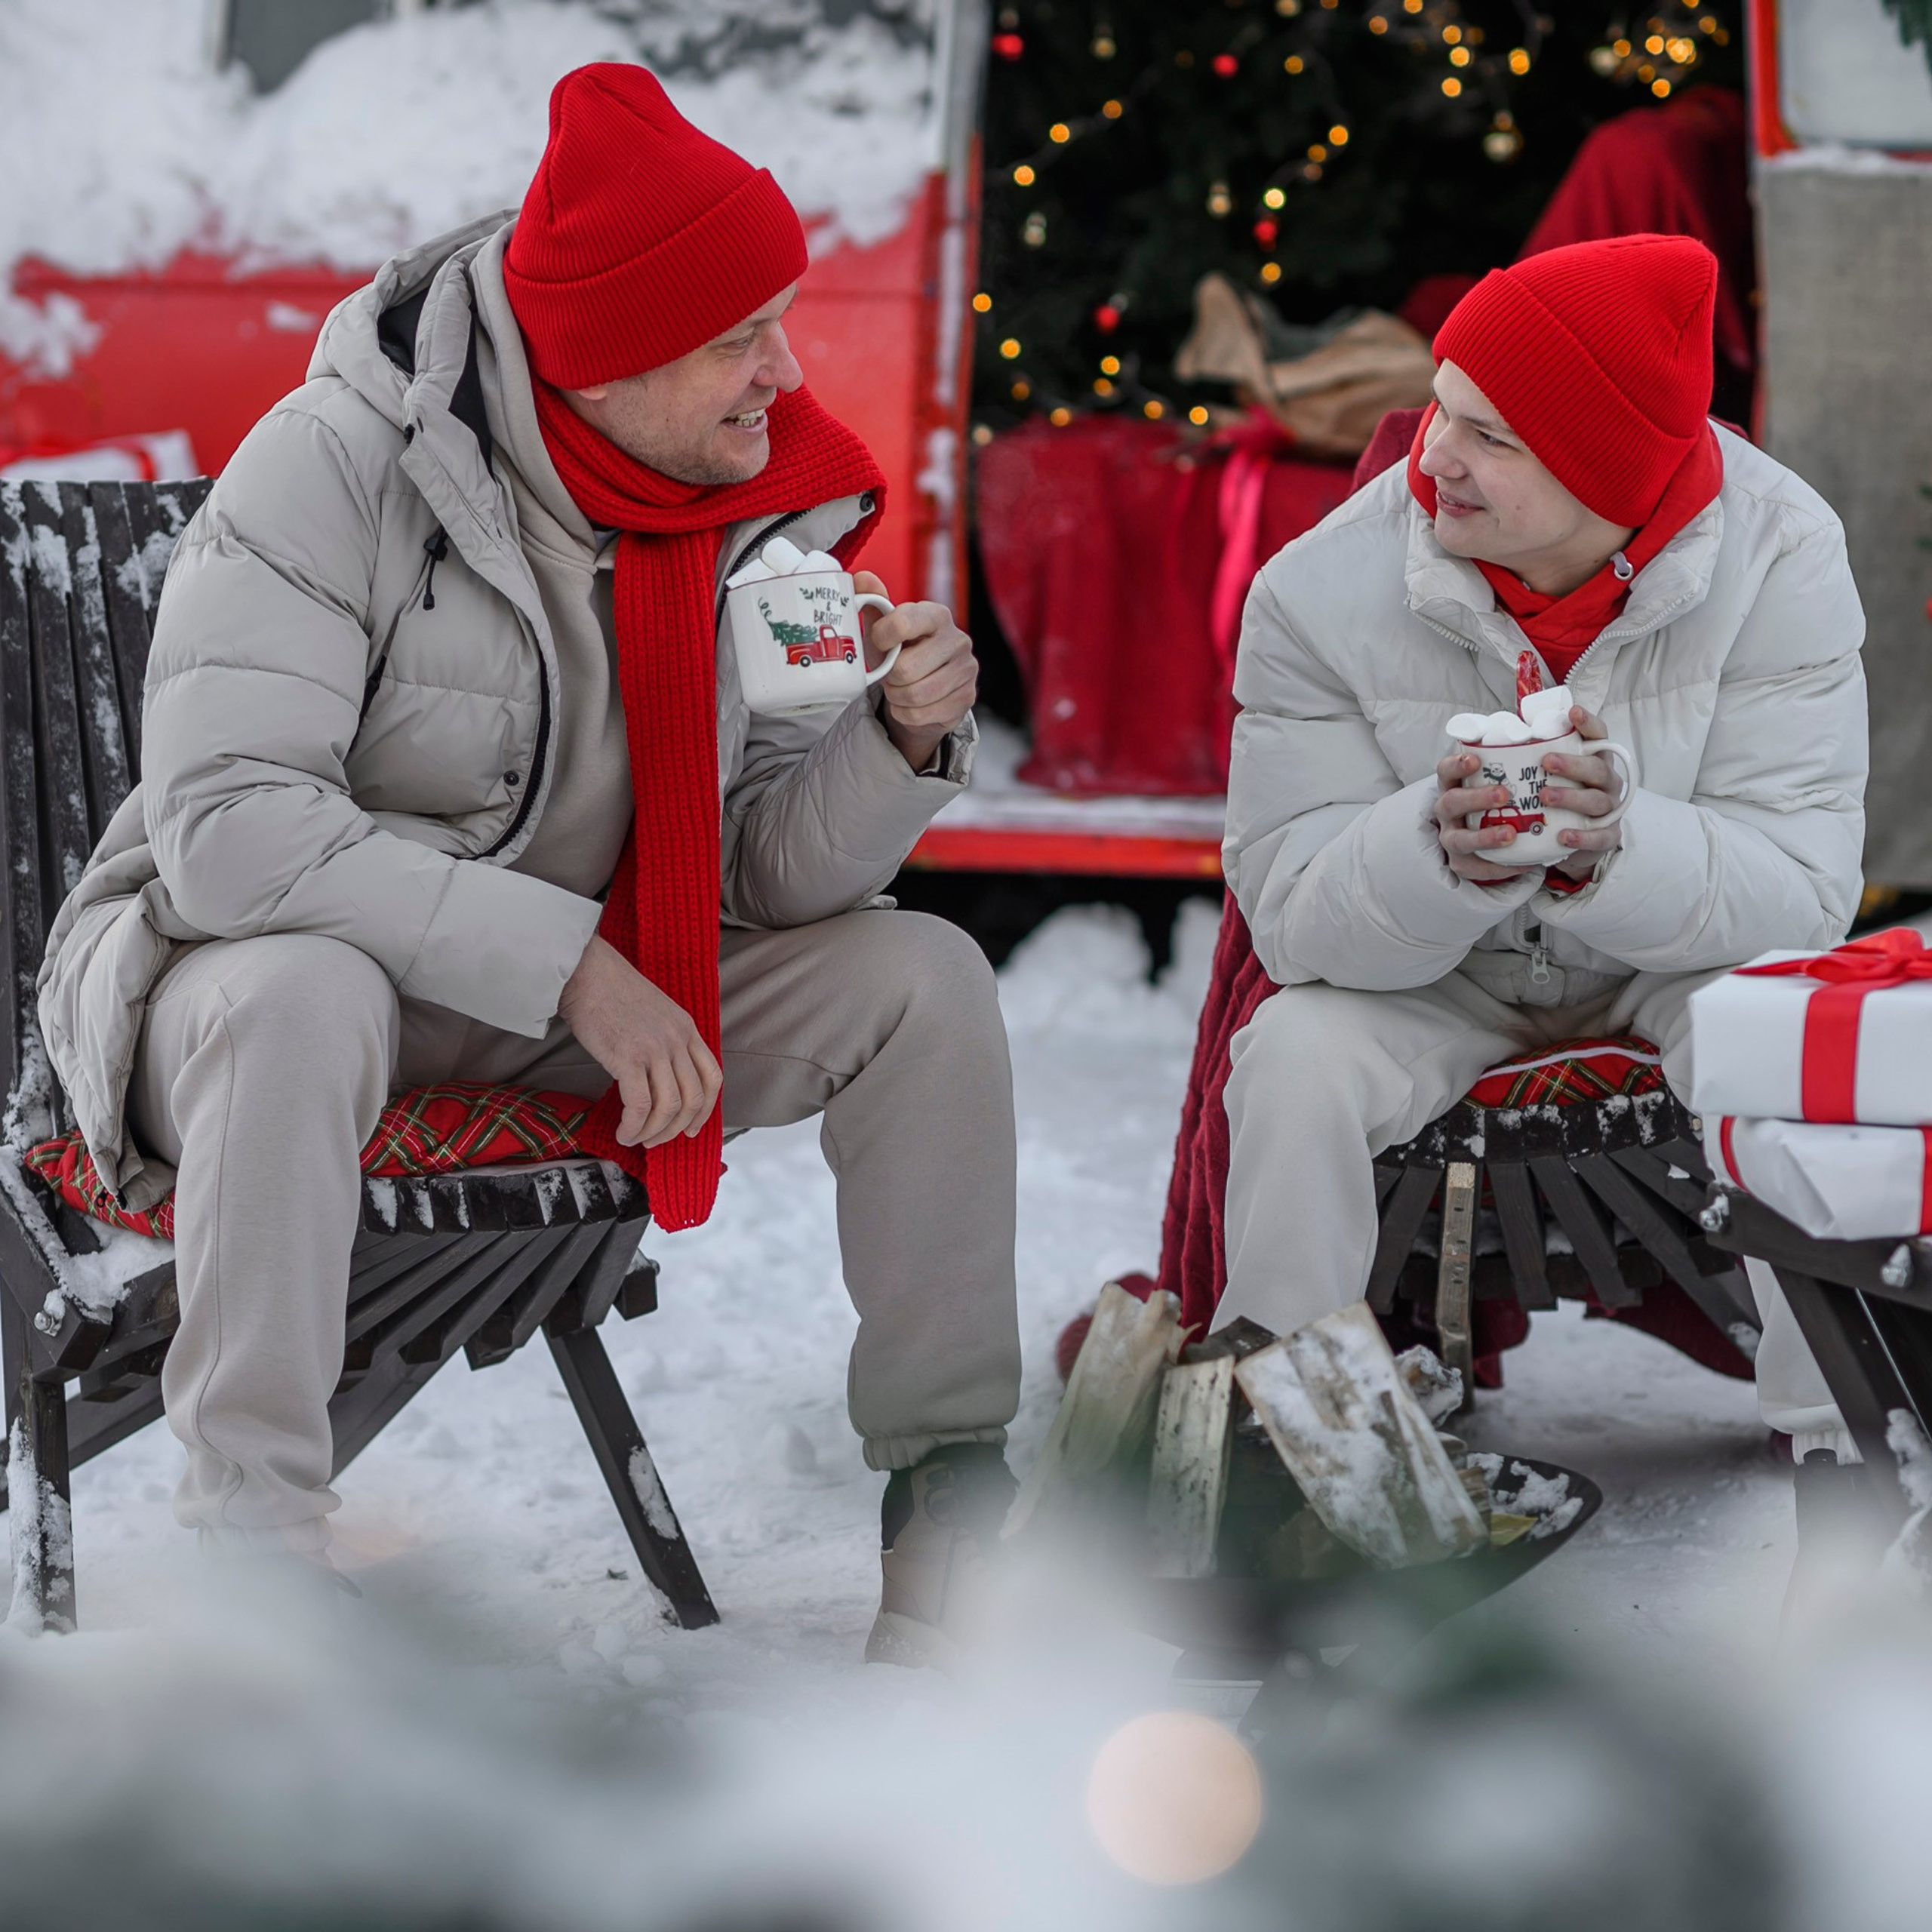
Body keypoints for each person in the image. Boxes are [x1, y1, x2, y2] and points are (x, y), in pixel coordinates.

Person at [36, 64, 1020, 1666]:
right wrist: (569, 959)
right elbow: (225, 829)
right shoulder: (335, 465)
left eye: (777, 319)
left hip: (574, 991)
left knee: (921, 981)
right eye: (734, 337)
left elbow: (765, 877)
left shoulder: (744, 507)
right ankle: (256, 1554)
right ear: (603, 359)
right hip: (253, 1000)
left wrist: (894, 744)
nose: (784, 367)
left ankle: (951, 1490)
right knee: (297, 987)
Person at [1217, 234, 1869, 1481]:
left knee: (1788, 1050)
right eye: (1443, 408)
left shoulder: (1781, 551)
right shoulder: (1317, 591)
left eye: (1492, 438)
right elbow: (1292, 921)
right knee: (1293, 1061)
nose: (1433, 460)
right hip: (1433, 974)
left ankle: (1846, 1463)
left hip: (1670, 960)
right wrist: (1434, 851)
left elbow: (1804, 894)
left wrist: (1617, 848)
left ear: (1607, 475)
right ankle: (1302, 1471)